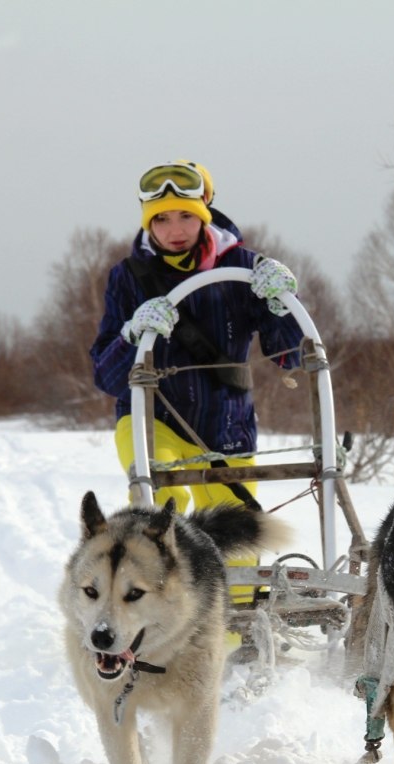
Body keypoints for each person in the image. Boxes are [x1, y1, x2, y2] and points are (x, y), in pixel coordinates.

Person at [91, 159, 303, 612]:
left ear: (205, 212)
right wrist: (132, 332)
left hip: (226, 424)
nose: (175, 229)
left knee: (236, 525)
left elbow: (290, 356)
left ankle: (240, 621)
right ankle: (163, 606)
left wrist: (281, 304)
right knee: (160, 503)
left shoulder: (243, 269)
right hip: (149, 417)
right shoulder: (128, 278)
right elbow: (105, 376)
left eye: (186, 215)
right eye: (162, 219)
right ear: (149, 223)